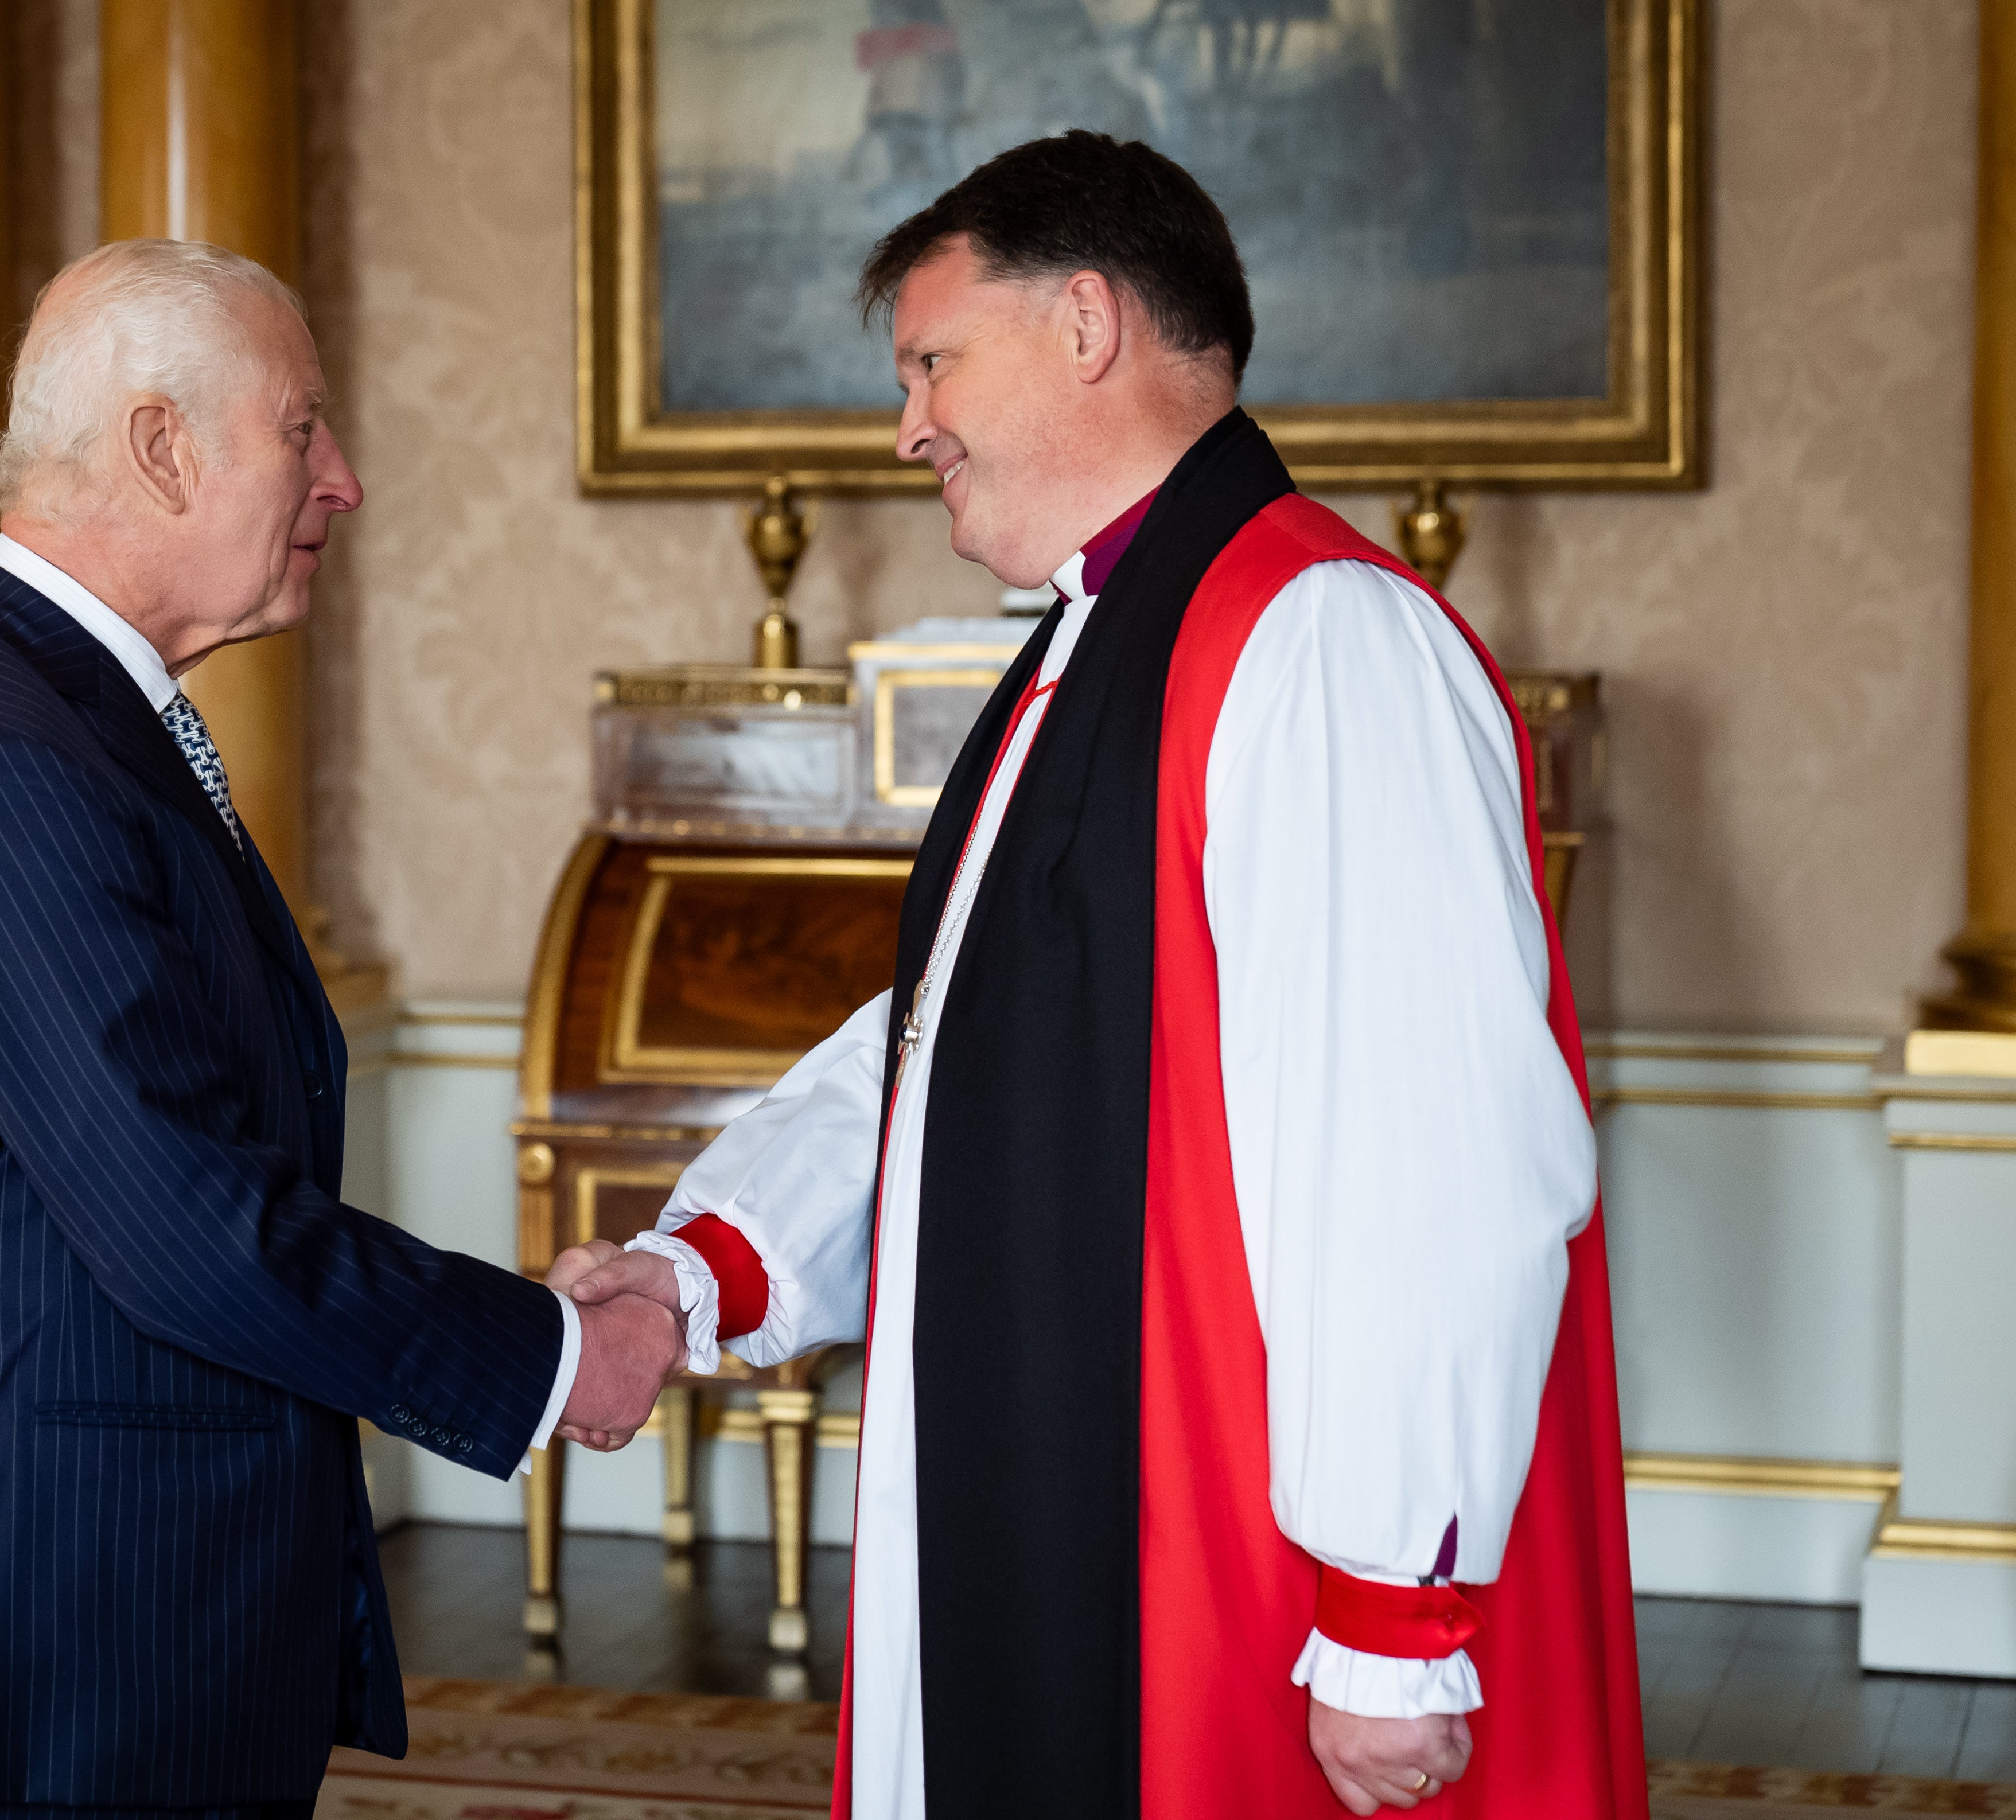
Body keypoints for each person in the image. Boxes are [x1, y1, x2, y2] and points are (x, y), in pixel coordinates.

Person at [554, 133, 1646, 1818]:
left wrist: (1389, 1615)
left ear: (1084, 324)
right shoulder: (1088, 648)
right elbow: (957, 1044)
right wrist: (706, 1268)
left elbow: (1420, 1153)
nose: (908, 424)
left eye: (932, 362)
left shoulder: (1320, 641)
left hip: (1242, 1579)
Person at [0, 238, 681, 1820]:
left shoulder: (77, 719)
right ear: (161, 447)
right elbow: (192, 1229)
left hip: (150, 1598)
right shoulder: (1, 762)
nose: (341, 482)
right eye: (303, 430)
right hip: (62, 1634)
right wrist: (552, 1356)